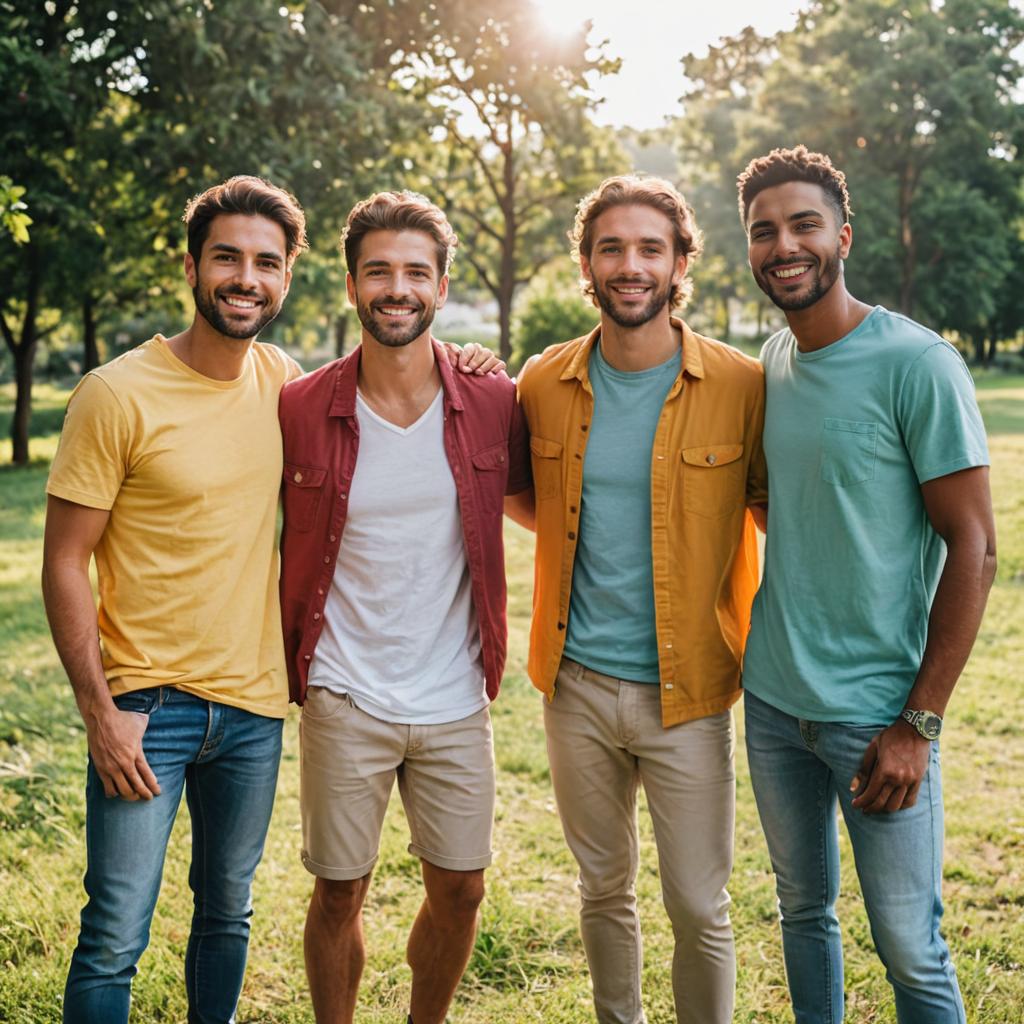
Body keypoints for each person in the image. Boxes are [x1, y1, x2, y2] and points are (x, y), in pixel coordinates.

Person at [42, 176, 499, 1024]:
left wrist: (468, 360)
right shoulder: (120, 392)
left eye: (264, 262)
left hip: (253, 709)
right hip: (148, 707)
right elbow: (64, 560)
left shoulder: (285, 387)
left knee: (227, 918)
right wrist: (99, 710)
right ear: (190, 267)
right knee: (113, 933)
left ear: (288, 278)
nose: (244, 279)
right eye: (226, 258)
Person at [737, 145, 996, 1023]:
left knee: (910, 949)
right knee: (803, 914)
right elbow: (787, 505)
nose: (785, 245)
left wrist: (918, 722)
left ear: (843, 234)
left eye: (804, 224)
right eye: (764, 231)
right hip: (772, 701)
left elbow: (976, 548)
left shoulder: (918, 364)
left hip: (878, 715)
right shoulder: (771, 361)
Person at [507, 175, 767, 1024]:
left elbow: (774, 512)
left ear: (681, 261)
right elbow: (521, 493)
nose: (630, 265)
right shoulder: (544, 380)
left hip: (687, 693)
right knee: (603, 888)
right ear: (586, 263)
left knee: (698, 904)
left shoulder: (740, 385)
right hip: (575, 687)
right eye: (611, 247)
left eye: (650, 248)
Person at [278, 190, 531, 1024]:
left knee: (461, 890)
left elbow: (544, 502)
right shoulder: (300, 407)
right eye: (378, 271)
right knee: (339, 892)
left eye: (416, 272)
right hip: (346, 691)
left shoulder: (494, 400)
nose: (398, 288)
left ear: (443, 286)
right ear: (351, 284)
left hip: (456, 693)